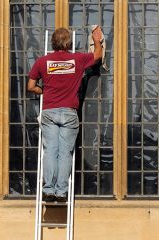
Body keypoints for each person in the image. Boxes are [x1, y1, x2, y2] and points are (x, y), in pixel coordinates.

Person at [27, 27, 102, 202]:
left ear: (53, 43)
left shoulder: (42, 61)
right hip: (69, 112)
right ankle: (61, 192)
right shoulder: (77, 59)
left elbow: (30, 86)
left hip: (49, 112)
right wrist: (96, 40)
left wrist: (42, 90)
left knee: (51, 151)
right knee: (66, 153)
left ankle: (48, 190)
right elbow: (97, 56)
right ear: (69, 43)